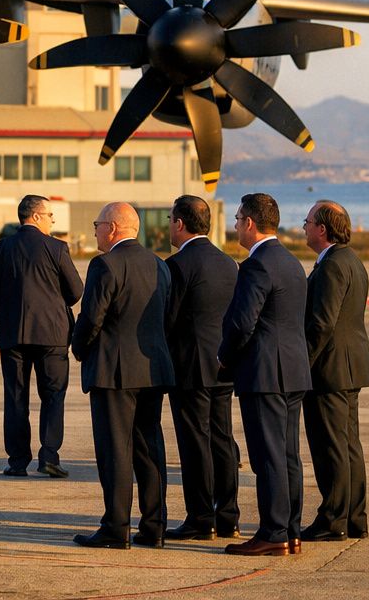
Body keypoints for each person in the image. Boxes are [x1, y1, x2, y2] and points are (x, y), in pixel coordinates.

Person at [71, 201, 174, 550]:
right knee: (149, 448)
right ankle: (154, 525)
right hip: (152, 368)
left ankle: (116, 527)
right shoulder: (159, 265)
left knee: (115, 451)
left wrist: (79, 348)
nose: (95, 230)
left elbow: (91, 317)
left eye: (98, 224)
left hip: (113, 372)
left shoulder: (105, 264)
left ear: (112, 229)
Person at [218, 192, 312, 557]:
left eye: (239, 219)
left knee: (268, 455)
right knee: (288, 454)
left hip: (265, 373)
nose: (236, 225)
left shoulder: (257, 265)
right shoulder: (290, 261)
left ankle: (273, 532)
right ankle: (290, 529)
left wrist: (225, 357)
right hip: (293, 370)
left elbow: (242, 323)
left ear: (251, 224)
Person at [0, 194, 83, 477]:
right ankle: (49, 456)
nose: (52, 221)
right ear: (35, 216)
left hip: (12, 335)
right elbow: (75, 291)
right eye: (50, 216)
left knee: (15, 398)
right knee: (52, 396)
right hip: (52, 335)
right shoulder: (56, 248)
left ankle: (17, 461)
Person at [163, 195, 242, 541]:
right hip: (223, 365)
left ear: (180, 224)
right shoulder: (229, 263)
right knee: (222, 440)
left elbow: (169, 318)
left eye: (170, 220)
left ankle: (200, 517)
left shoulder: (177, 265)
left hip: (189, 367)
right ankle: (228, 516)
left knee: (195, 443)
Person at [301, 199, 369, 542]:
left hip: (330, 369)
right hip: (349, 366)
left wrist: (301, 364)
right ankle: (354, 517)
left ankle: (333, 519)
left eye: (307, 222)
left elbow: (322, 323)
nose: (303, 226)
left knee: (331, 446)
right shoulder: (351, 260)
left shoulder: (332, 264)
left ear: (322, 228)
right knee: (348, 446)